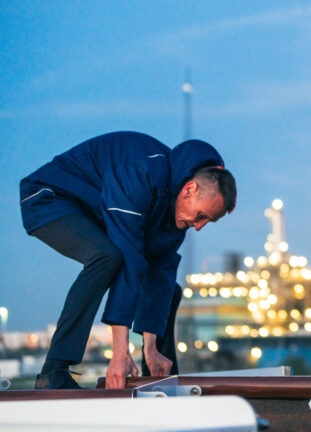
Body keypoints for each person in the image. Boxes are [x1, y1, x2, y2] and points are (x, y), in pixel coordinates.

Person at [20, 131, 237, 389]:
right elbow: (128, 258)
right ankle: (53, 371)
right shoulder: (141, 170)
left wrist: (151, 347)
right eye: (201, 215)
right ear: (189, 189)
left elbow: (159, 275)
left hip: (95, 211)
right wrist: (119, 352)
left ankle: (156, 376)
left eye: (207, 222)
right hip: (48, 197)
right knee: (108, 257)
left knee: (169, 291)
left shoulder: (175, 210)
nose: (199, 226)